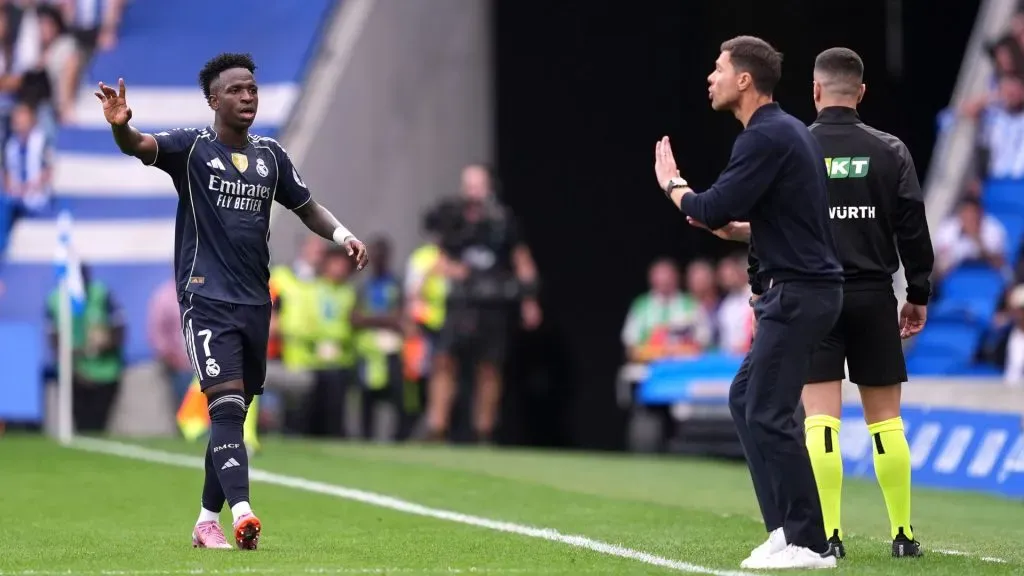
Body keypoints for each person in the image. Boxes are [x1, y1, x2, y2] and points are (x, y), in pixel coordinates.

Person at [94, 53, 369, 551]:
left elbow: (308, 208)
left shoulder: (271, 157)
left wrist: (342, 234)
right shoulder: (192, 149)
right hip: (206, 298)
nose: (248, 96)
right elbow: (139, 145)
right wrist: (121, 129)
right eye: (237, 90)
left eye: (253, 89)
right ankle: (242, 513)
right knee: (224, 407)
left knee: (234, 414)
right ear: (214, 99)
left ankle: (205, 520)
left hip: (253, 303)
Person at [694, 48, 934, 561]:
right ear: (862, 91)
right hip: (872, 294)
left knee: (819, 421)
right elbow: (913, 225)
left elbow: (770, 222)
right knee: (885, 421)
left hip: (812, 291)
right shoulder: (890, 150)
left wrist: (759, 282)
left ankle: (828, 535)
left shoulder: (798, 143)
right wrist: (918, 293)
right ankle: (902, 534)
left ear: (817, 91)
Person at [654, 36, 843, 570]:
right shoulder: (784, 132)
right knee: (746, 401)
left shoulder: (765, 137)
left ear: (744, 80)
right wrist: (744, 231)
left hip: (800, 293)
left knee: (768, 410)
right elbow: (789, 220)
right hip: (804, 289)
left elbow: (710, 206)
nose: (710, 78)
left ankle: (812, 543)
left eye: (718, 68)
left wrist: (672, 184)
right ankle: (785, 529)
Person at [423, 164, 541, 444]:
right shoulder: (453, 221)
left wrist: (530, 300)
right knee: (444, 361)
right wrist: (451, 272)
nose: (472, 192)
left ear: (488, 188)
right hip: (460, 302)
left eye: (478, 185)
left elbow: (523, 263)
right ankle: (437, 427)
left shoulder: (504, 222)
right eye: (468, 186)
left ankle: (484, 431)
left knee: (489, 367)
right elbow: (439, 261)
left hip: (493, 303)